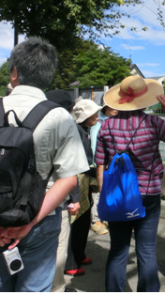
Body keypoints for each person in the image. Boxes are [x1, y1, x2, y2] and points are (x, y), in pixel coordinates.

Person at [0, 37, 88, 292]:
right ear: (48, 75)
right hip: (41, 219)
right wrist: (29, 222)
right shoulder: (60, 116)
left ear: (14, 72)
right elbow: (69, 179)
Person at [95, 75, 165, 292]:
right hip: (148, 194)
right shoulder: (153, 123)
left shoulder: (106, 126)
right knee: (147, 250)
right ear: (143, 98)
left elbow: (100, 164)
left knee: (118, 249)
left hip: (118, 196)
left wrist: (104, 195)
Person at [45, 89, 79, 293]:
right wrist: (74, 200)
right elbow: (72, 172)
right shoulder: (67, 127)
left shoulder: (31, 121)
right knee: (58, 245)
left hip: (30, 196)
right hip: (57, 196)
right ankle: (56, 287)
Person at [64, 98, 103, 277]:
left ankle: (79, 255)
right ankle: (70, 262)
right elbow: (77, 162)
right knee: (76, 222)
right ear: (85, 116)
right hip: (77, 182)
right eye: (94, 113)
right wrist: (98, 172)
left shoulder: (84, 130)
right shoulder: (77, 132)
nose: (97, 116)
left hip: (84, 180)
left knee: (84, 221)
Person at [89, 104, 118, 235]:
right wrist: (98, 163)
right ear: (105, 108)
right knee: (97, 191)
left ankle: (105, 217)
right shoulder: (99, 122)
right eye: (112, 107)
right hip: (100, 164)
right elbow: (94, 144)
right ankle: (96, 220)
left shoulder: (115, 122)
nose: (116, 110)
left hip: (111, 164)